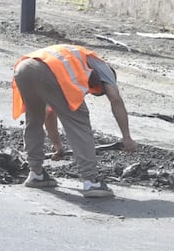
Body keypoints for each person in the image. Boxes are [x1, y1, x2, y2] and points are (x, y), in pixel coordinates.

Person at [12, 44, 136, 197]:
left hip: (23, 68)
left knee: (34, 119)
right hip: (49, 71)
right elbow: (115, 99)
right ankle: (91, 182)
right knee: (79, 120)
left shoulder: (75, 58)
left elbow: (49, 112)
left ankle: (36, 174)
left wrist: (57, 144)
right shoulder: (103, 68)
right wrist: (127, 137)